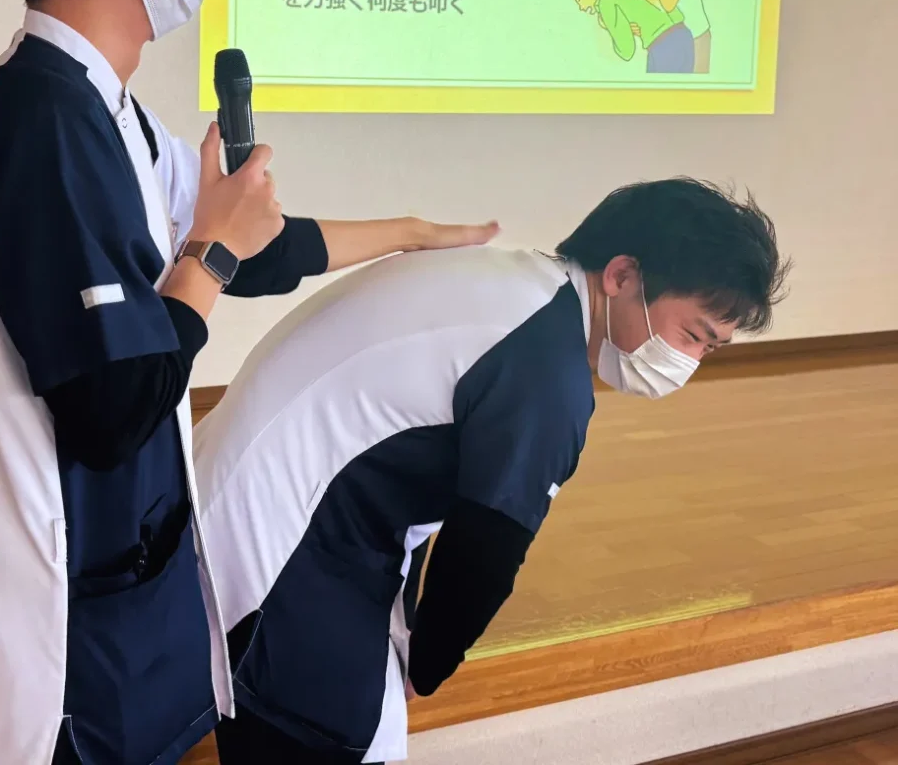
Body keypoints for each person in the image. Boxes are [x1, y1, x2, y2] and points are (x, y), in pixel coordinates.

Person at [0, 0, 497, 765]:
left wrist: (407, 232)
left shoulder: (109, 112)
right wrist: (207, 252)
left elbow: (256, 247)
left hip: (117, 598)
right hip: (44, 643)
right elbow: (114, 401)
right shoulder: (42, 119)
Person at [193, 178, 791, 765]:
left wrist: (411, 639)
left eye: (709, 349)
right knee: (337, 728)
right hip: (274, 540)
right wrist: (427, 666)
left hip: (244, 489)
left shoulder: (517, 283)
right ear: (622, 276)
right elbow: (484, 552)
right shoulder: (546, 372)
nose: (689, 361)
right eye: (692, 335)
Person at [570, 0, 695, 73]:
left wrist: (610, 28)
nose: (581, 7)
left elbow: (626, 50)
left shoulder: (605, 2)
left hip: (664, 45)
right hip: (683, 36)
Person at [629, 0, 712, 73]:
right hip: (660, 42)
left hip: (693, 38)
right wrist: (636, 25)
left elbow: (669, 3)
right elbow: (647, 3)